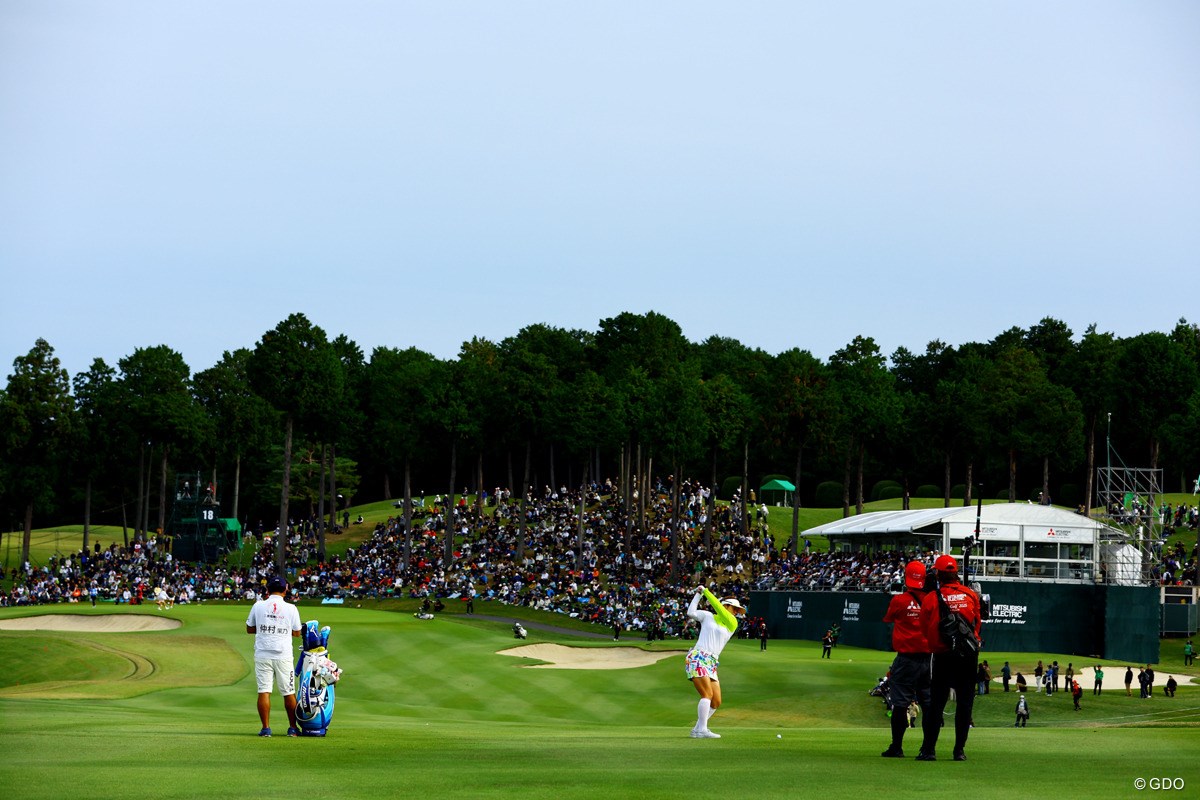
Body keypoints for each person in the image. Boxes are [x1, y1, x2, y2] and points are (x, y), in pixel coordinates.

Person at [917, 554, 981, 762]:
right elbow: (977, 625)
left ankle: (929, 750)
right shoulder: (970, 595)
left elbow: (925, 629)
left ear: (937, 574)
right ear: (956, 573)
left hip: (943, 655)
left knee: (936, 704)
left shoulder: (930, 598)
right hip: (967, 657)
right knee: (965, 704)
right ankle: (959, 751)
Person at [880, 561, 931, 758]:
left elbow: (889, 618)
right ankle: (928, 749)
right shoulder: (931, 600)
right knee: (928, 705)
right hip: (928, 659)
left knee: (900, 705)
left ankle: (897, 747)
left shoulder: (899, 600)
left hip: (906, 658)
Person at [684, 586, 746, 739]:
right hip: (698, 656)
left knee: (716, 701)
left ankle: (697, 729)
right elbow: (690, 613)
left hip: (712, 661)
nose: (737, 612)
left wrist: (706, 591)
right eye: (734, 608)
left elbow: (717, 606)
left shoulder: (732, 623)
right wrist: (698, 594)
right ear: (726, 606)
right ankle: (702, 730)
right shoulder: (708, 616)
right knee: (707, 694)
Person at [245, 576, 302, 737]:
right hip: (283, 654)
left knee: (264, 691)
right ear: (285, 591)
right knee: (288, 692)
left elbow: (249, 629)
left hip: (263, 653)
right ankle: (292, 728)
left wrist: (267, 628)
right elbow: (297, 632)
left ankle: (266, 728)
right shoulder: (291, 608)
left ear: (267, 590)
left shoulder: (258, 606)